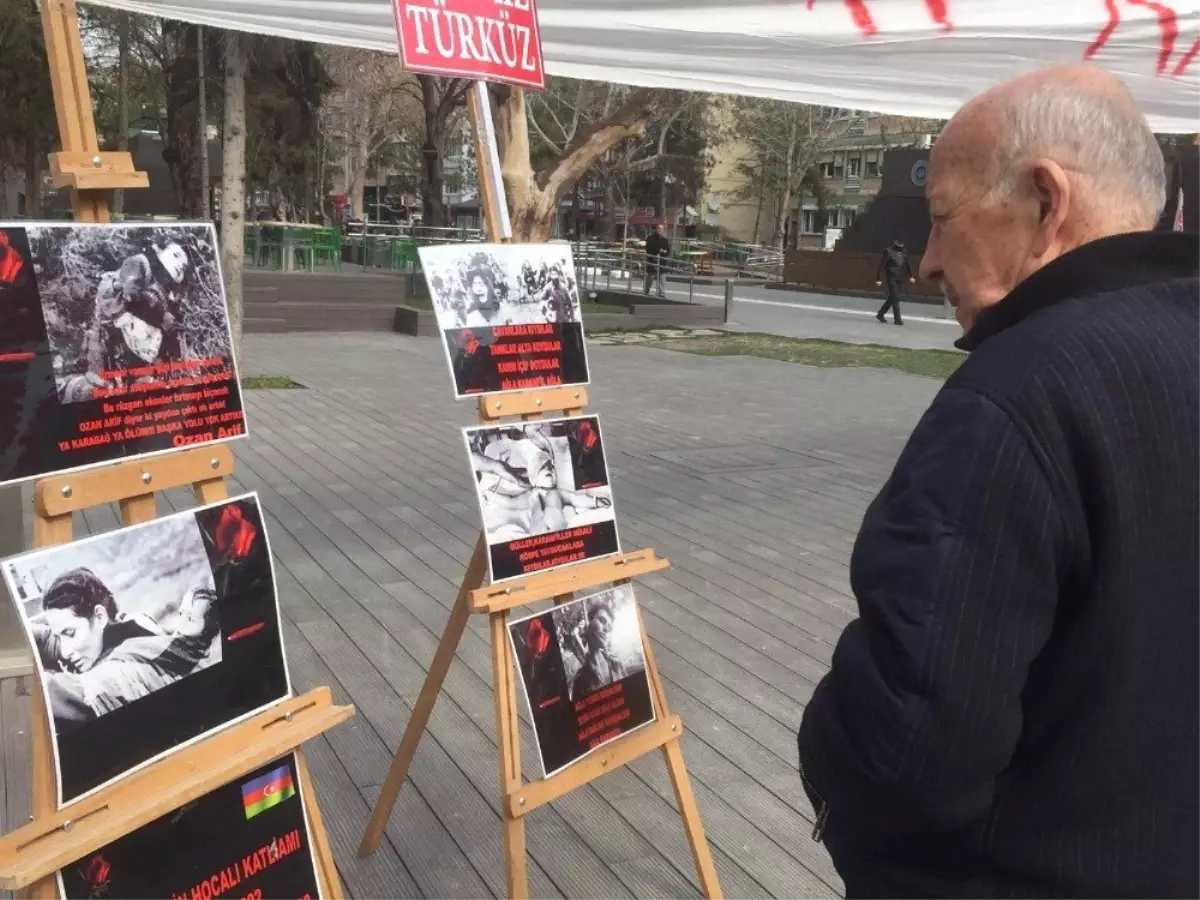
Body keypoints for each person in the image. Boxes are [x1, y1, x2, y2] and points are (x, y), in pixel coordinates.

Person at [797, 63, 1200, 899]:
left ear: (1047, 204)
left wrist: (828, 749)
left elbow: (906, 752)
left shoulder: (1021, 390)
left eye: (943, 220)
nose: (928, 264)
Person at [31, 568, 220, 722]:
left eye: (70, 633)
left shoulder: (117, 673)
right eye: (60, 636)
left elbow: (51, 691)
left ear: (99, 617)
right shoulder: (137, 631)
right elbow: (51, 639)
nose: (64, 651)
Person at [571, 594, 626, 698]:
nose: (606, 629)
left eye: (609, 628)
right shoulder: (580, 681)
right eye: (602, 620)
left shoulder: (617, 666)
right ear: (588, 623)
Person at [874, 237, 916, 325]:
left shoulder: (904, 251)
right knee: (896, 298)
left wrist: (911, 275)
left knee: (893, 297)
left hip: (900, 277)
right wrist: (878, 278)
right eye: (899, 243)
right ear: (896, 242)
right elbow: (882, 265)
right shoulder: (888, 251)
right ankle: (897, 319)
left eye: (902, 243)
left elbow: (907, 264)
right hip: (891, 277)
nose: (901, 245)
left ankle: (880, 314)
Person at [643, 224, 670, 298]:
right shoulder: (651, 238)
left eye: (661, 229)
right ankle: (646, 290)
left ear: (663, 230)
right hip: (653, 261)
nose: (660, 230)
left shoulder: (665, 240)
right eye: (658, 228)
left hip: (662, 262)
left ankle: (662, 292)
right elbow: (649, 249)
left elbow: (667, 251)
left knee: (662, 278)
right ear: (656, 229)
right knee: (650, 277)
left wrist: (661, 251)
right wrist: (660, 250)